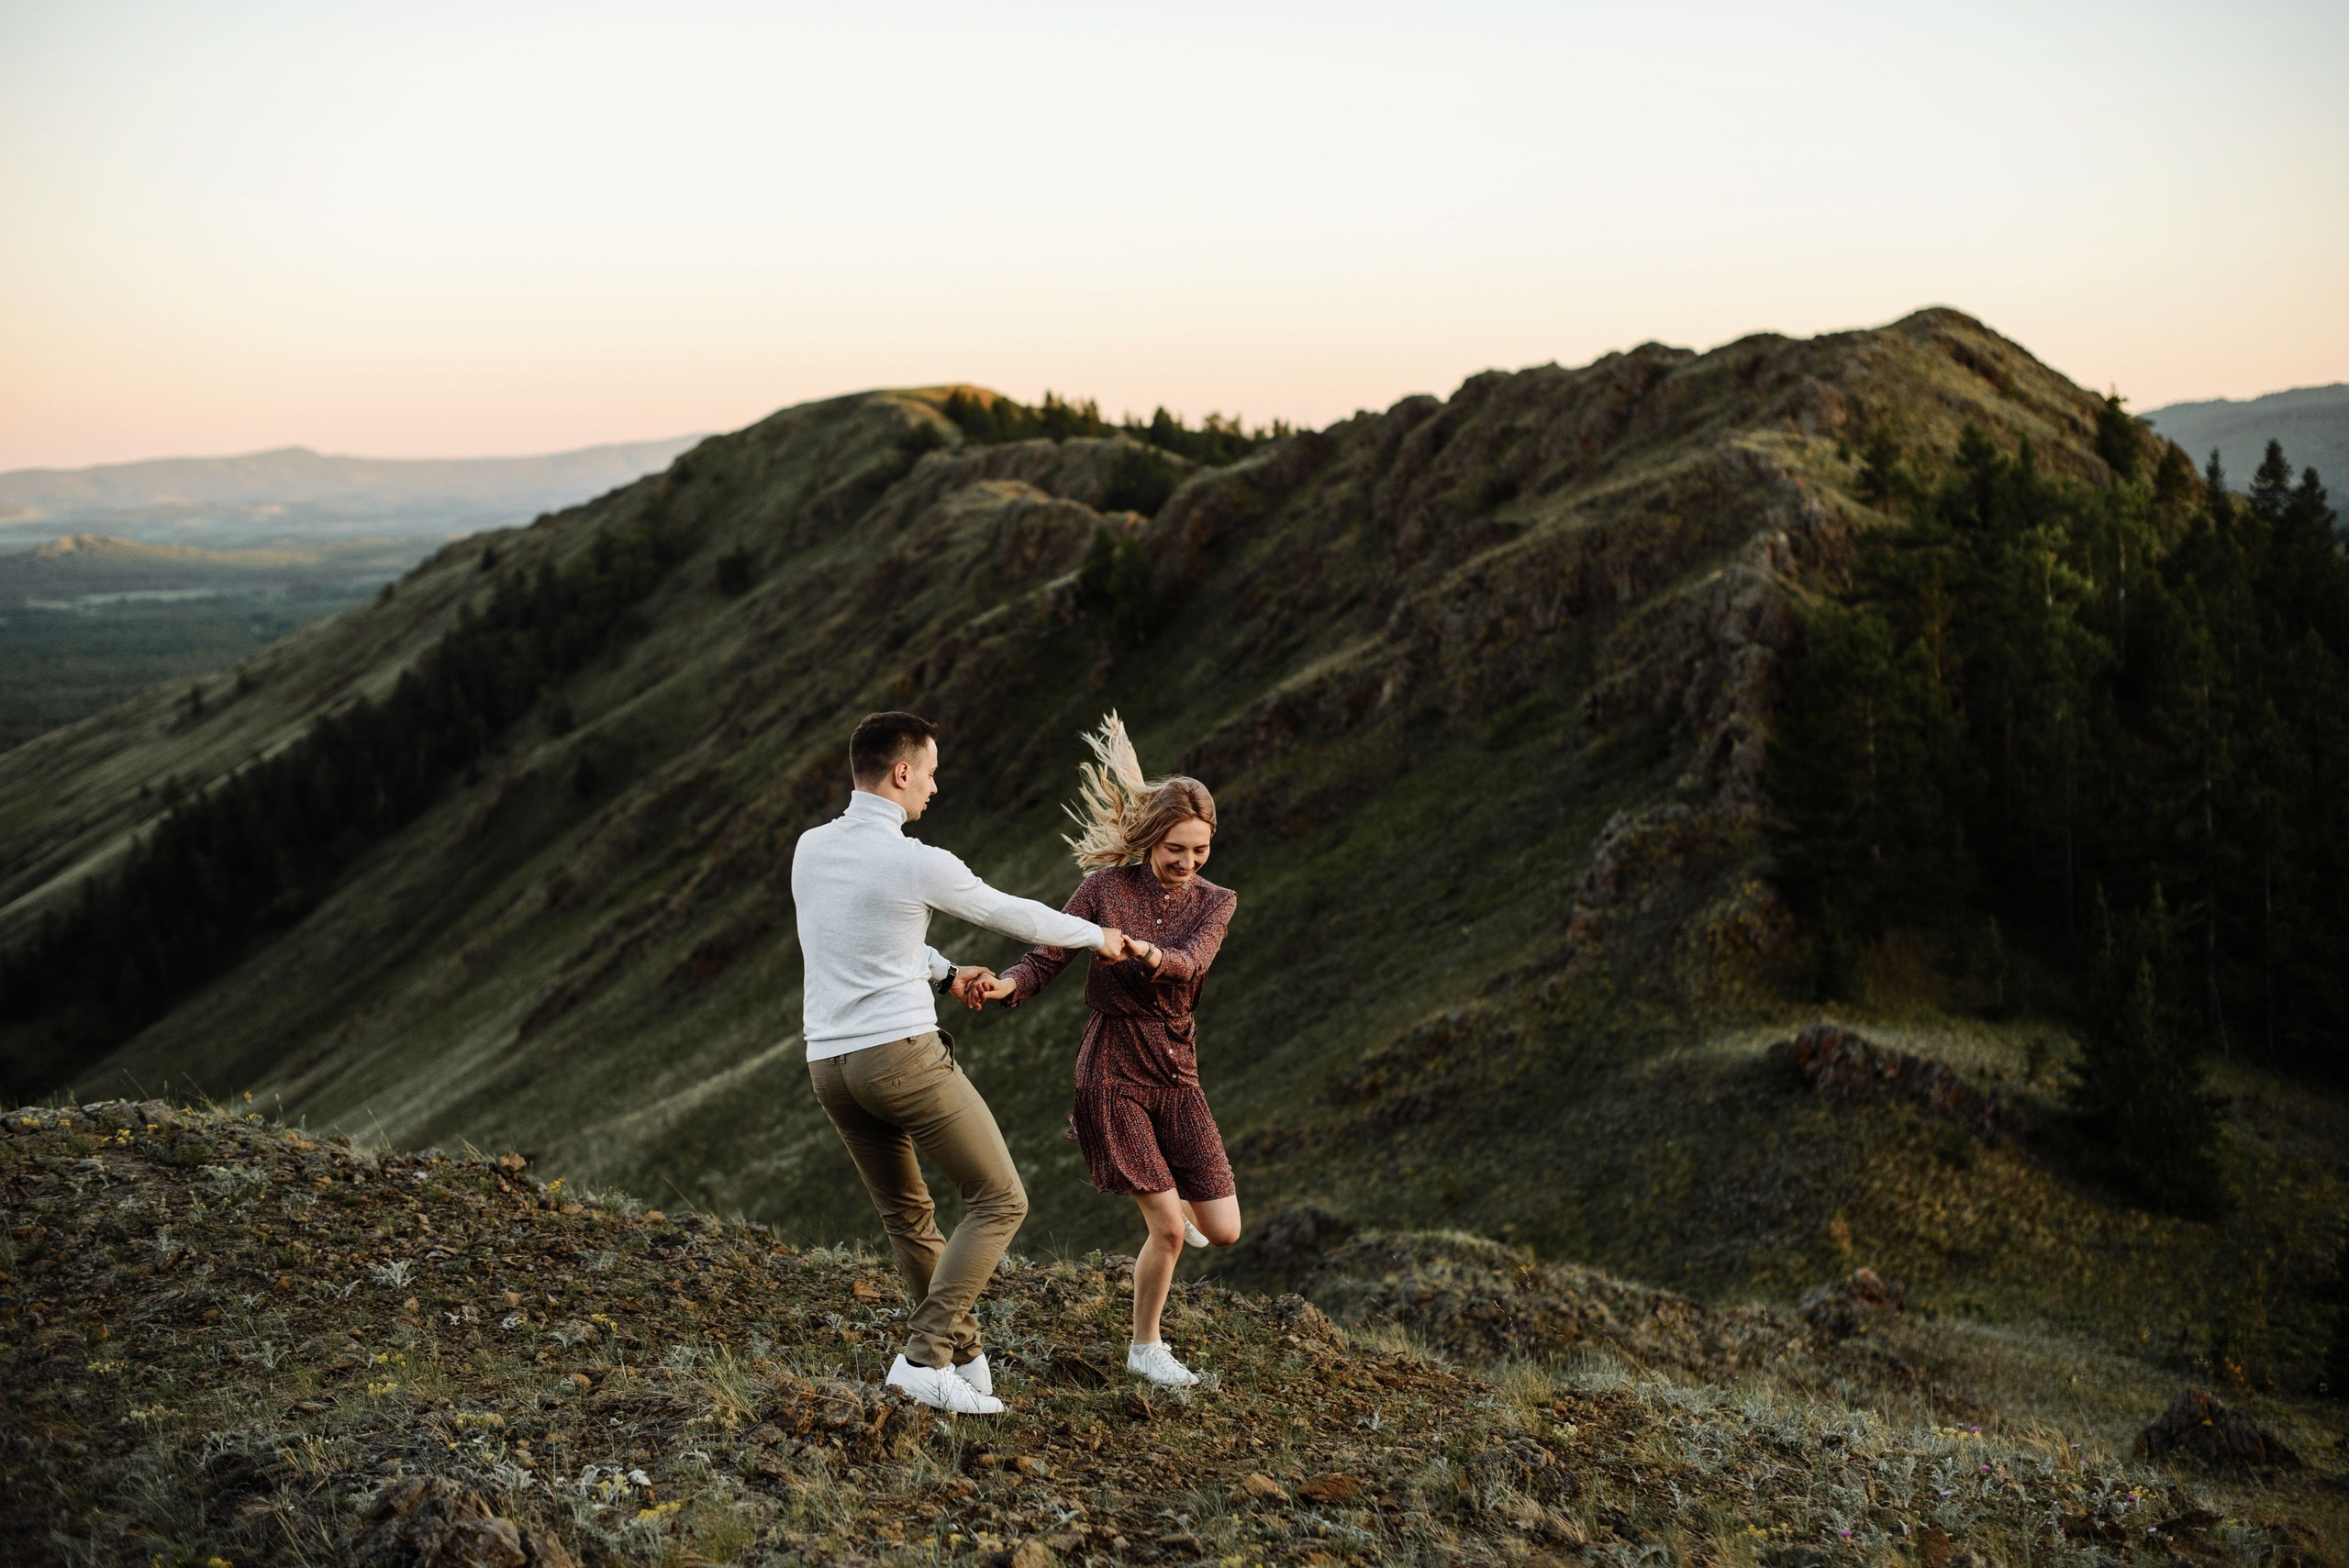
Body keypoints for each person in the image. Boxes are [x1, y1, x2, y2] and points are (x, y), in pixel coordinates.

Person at [791, 710, 1131, 1415]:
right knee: (1002, 1197)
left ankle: (965, 1359)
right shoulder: (919, 860)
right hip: (901, 1060)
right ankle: (923, 1357)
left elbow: (865, 940)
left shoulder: (810, 849)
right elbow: (1017, 916)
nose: (936, 788)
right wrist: (1101, 935)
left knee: (908, 1214)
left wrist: (947, 974)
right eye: (933, 772)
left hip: (830, 1066)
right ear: (902, 771)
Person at [982, 713, 1242, 1388]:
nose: (1188, 864)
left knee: (1226, 1227)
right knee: (1171, 1232)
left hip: (1177, 1068)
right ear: (1150, 840)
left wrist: (1149, 950)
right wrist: (1005, 984)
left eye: (1199, 851)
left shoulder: (1217, 901)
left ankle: (1175, 1194)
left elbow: (1191, 961)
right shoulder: (1104, 890)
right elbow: (1048, 955)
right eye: (1175, 849)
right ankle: (1145, 1347)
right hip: (1112, 1068)